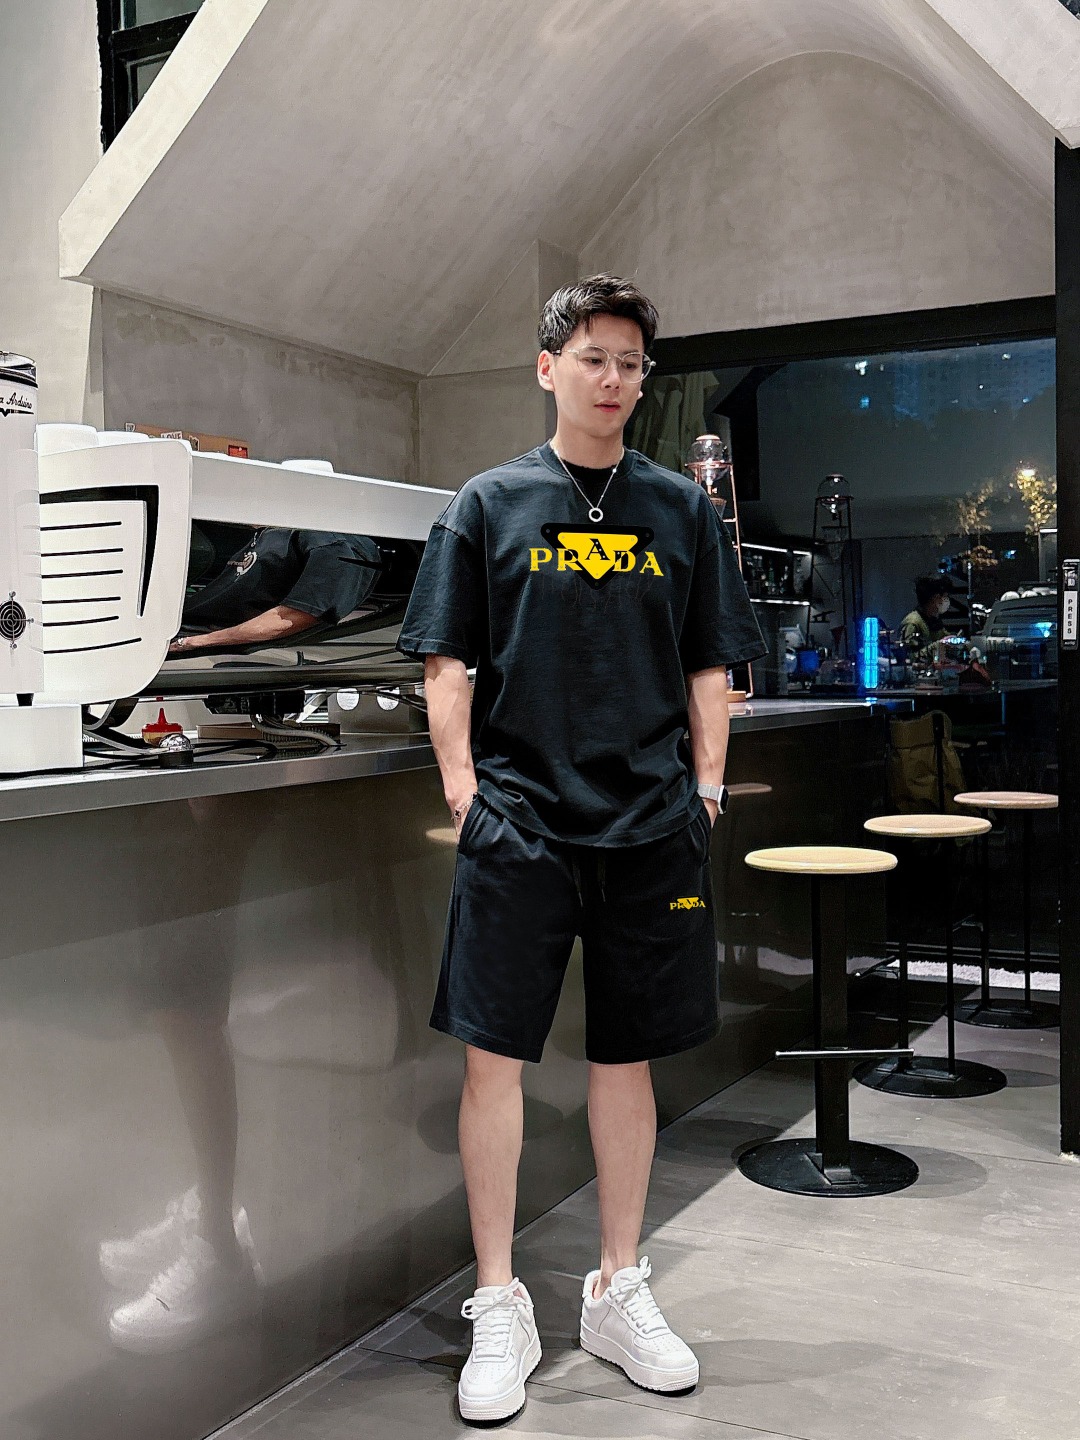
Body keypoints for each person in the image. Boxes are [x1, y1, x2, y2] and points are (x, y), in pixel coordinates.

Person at [396, 274, 764, 1423]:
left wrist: (706, 789)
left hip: (651, 828)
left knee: (627, 1060)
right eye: (594, 358)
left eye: (631, 364)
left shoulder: (680, 511)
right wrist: (467, 796)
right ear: (548, 367)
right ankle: (498, 1302)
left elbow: (712, 660)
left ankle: (616, 1288)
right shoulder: (489, 502)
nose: (613, 380)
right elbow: (445, 661)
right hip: (520, 827)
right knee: (492, 1064)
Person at [169, 526, 382, 653]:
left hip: (187, 639)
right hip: (176, 625)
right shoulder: (278, 529)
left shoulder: (336, 544)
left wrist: (194, 642)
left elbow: (291, 617)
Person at [898, 576, 954, 658]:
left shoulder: (934, 620)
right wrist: (937, 646)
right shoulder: (912, 623)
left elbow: (943, 637)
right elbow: (909, 658)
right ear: (934, 598)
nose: (946, 600)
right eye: (944, 597)